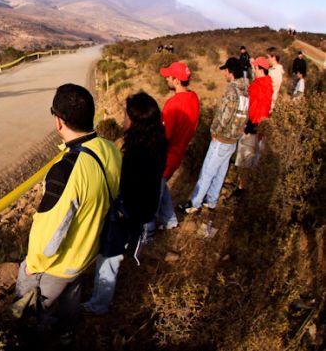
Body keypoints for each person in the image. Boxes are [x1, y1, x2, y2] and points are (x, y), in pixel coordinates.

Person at [15, 84, 121, 343]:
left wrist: (32, 267)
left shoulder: (65, 171)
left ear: (58, 121)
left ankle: (30, 340)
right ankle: (66, 333)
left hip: (58, 265)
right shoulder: (110, 149)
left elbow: (51, 231)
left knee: (31, 312)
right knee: (73, 294)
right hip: (87, 252)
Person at [81, 92, 166, 315]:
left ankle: (98, 305)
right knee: (113, 255)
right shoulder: (157, 142)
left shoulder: (137, 153)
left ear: (135, 120)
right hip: (142, 211)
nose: (123, 119)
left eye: (126, 115)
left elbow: (127, 188)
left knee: (109, 257)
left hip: (126, 213)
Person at [180, 57, 249, 214]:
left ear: (230, 72)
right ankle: (211, 201)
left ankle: (194, 203)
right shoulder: (245, 90)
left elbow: (226, 114)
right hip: (234, 138)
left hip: (222, 137)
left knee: (208, 170)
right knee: (220, 171)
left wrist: (215, 131)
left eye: (225, 70)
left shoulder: (232, 90)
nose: (224, 73)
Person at [150, 62, 200, 230]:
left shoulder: (173, 104)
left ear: (177, 81)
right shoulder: (193, 98)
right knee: (161, 186)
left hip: (166, 156)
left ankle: (146, 234)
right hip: (179, 152)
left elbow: (164, 136)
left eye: (169, 77)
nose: (166, 79)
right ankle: (170, 221)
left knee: (153, 196)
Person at [232, 57, 273, 196]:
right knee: (253, 158)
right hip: (261, 126)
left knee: (245, 158)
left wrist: (250, 125)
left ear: (260, 69)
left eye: (255, 68)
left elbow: (255, 107)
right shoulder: (268, 83)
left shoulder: (258, 85)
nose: (253, 70)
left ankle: (241, 189)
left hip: (253, 126)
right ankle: (245, 186)